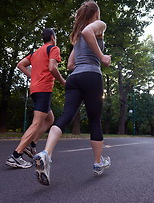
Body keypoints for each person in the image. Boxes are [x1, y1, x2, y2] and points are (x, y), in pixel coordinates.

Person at [33, 0, 111, 186]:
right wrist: (101, 57)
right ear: (96, 14)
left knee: (65, 117)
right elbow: (88, 32)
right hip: (91, 75)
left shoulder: (76, 37)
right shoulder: (99, 25)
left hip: (75, 78)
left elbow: (69, 65)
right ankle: (98, 163)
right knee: (94, 120)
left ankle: (46, 153)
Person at [6, 28, 66, 169]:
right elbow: (52, 67)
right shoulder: (53, 48)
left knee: (50, 119)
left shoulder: (36, 52)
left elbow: (20, 64)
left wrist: (33, 76)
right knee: (37, 123)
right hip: (44, 89)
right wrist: (63, 82)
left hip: (35, 89)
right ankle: (16, 155)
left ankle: (31, 145)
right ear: (52, 37)